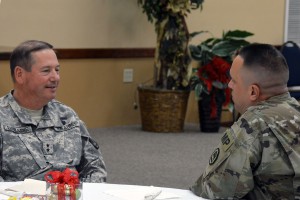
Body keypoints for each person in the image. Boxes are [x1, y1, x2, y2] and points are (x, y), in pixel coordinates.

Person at [190, 43, 300, 199]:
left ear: (253, 92)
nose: (229, 85)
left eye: (234, 80)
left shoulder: (253, 124)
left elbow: (216, 191)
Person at [0, 40, 107, 182]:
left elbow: (95, 168)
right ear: (20, 74)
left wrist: (77, 194)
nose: (55, 77)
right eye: (46, 71)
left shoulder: (66, 116)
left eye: (57, 70)